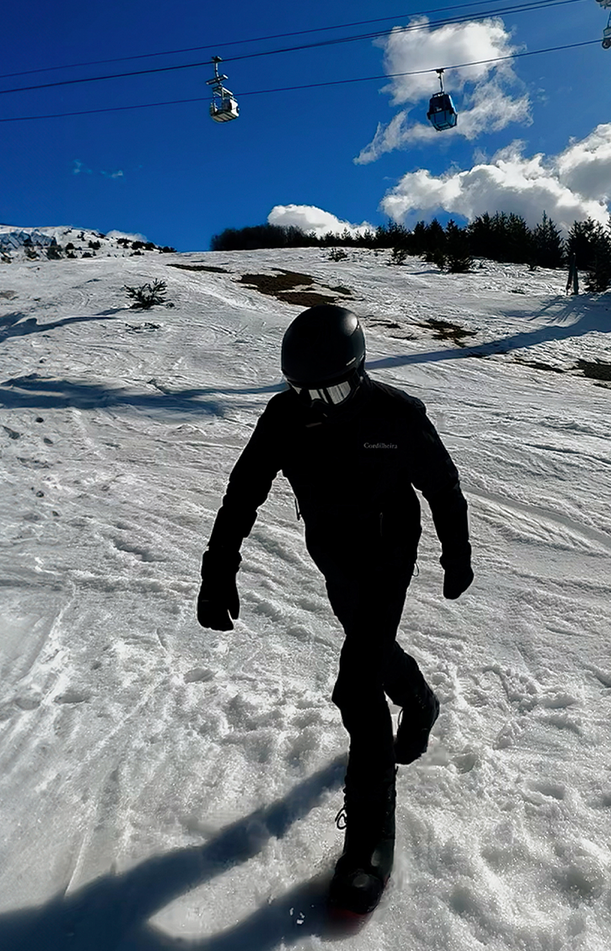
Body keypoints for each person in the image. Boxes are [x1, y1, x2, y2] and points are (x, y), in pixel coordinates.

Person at [196, 304, 473, 915]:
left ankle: (370, 837)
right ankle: (420, 698)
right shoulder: (285, 417)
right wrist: (219, 569)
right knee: (370, 651)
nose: (322, 402)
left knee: (354, 686)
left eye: (337, 388)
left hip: (389, 552)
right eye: (307, 391)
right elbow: (243, 492)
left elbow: (443, 486)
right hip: (334, 556)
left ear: (362, 369)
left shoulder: (397, 414)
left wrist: (457, 555)